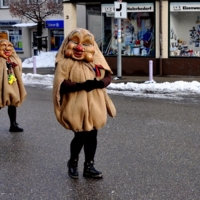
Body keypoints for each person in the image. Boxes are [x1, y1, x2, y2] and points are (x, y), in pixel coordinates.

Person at [53, 28, 116, 179]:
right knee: (80, 136)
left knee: (93, 135)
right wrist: (80, 86)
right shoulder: (64, 64)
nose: (80, 47)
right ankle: (73, 163)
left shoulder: (96, 61)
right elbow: (60, 84)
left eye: (85, 44)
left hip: (95, 104)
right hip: (76, 106)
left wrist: (99, 84)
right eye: (75, 42)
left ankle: (89, 166)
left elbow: (108, 76)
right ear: (67, 43)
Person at [0, 39, 27, 132]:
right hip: (1, 84)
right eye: (3, 45)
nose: (7, 48)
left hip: (11, 83)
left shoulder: (12, 57)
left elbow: (18, 67)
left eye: (9, 45)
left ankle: (13, 124)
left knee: (12, 103)